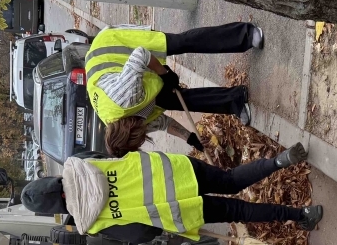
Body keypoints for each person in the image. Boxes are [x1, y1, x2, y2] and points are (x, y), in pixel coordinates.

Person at [21, 143, 322, 244]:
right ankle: (279, 161)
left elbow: (140, 235)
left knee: (238, 212)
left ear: (51, 210)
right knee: (231, 181)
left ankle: (301, 215)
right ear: (49, 180)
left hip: (180, 208)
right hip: (177, 170)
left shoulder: (92, 222)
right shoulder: (82, 162)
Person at [85, 23, 263, 152]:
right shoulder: (129, 127)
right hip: (125, 79)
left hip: (114, 47)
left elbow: (140, 55)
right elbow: (163, 123)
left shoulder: (123, 98)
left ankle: (245, 34)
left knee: (182, 42)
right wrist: (189, 138)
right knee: (177, 100)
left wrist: (164, 74)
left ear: (132, 127)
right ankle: (235, 100)